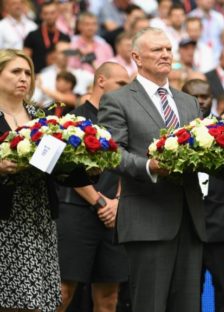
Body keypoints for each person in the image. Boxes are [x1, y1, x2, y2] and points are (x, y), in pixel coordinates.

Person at [98, 27, 205, 312]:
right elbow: (111, 155)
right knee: (151, 306)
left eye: (168, 49)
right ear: (136, 57)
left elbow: (204, 153)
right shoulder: (118, 99)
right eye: (157, 49)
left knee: (188, 306)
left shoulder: (189, 102)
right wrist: (150, 166)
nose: (165, 54)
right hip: (148, 219)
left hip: (190, 219)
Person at [0, 49, 89, 311]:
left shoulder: (43, 117)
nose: (23, 78)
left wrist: (89, 170)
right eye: (15, 71)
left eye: (28, 72)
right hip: (3, 217)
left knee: (36, 302)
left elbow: (57, 167)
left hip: (38, 213)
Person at [55, 62, 130, 312]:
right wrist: (100, 202)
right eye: (121, 84)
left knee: (109, 296)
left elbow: (129, 164)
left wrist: (117, 202)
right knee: (63, 292)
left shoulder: (126, 120)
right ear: (101, 81)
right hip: (76, 210)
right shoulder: (73, 118)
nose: (125, 90)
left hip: (115, 214)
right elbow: (67, 168)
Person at [182, 78, 224, 312]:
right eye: (195, 96)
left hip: (221, 225)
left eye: (205, 96)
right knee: (187, 294)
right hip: (185, 227)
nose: (201, 101)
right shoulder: (173, 133)